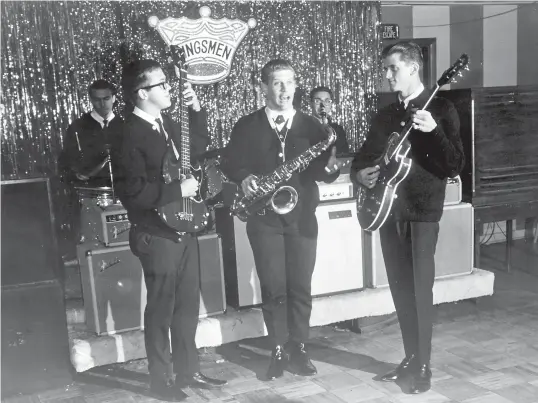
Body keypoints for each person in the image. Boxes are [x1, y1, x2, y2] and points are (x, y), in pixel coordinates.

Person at [350, 42, 465, 394]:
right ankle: (410, 357)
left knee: (419, 290)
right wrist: (360, 174)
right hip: (389, 211)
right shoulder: (384, 115)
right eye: (385, 68)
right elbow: (363, 157)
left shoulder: (442, 109)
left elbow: (455, 165)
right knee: (400, 290)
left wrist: (434, 131)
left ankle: (424, 364)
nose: (386, 75)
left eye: (392, 68)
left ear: (413, 68)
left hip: (422, 213)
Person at [220, 59, 341, 380]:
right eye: (277, 83)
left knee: (301, 285)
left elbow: (322, 170)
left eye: (289, 82)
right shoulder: (246, 125)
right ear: (264, 87)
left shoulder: (313, 127)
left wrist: (331, 170)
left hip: (302, 220)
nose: (285, 90)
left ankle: (298, 347)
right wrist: (244, 177)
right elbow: (230, 163)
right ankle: (277, 347)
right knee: (273, 287)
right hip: (264, 219)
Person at [113, 59, 226, 402]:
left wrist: (196, 108)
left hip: (185, 228)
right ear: (142, 93)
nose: (168, 89)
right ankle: (160, 380)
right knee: (161, 310)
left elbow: (197, 148)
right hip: (157, 234)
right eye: (161, 85)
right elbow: (131, 192)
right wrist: (179, 191)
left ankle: (188, 370)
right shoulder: (127, 133)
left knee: (187, 306)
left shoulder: (166, 123)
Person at [59, 79, 122, 186]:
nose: (102, 104)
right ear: (91, 100)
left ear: (114, 98)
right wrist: (76, 174)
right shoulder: (77, 127)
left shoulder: (126, 126)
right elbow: (66, 163)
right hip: (91, 192)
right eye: (97, 100)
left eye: (106, 98)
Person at [309, 86, 349, 155]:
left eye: (327, 101)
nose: (323, 105)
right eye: (318, 101)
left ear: (331, 105)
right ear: (311, 104)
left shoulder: (338, 130)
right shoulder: (302, 127)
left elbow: (344, 155)